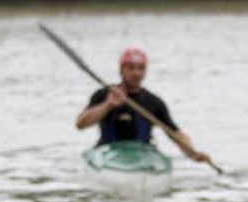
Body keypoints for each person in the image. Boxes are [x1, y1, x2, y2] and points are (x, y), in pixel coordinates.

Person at [75, 46, 212, 166]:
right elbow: (81, 124)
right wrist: (108, 105)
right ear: (121, 70)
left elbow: (174, 133)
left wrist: (192, 153)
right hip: (109, 150)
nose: (136, 73)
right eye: (131, 68)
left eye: (141, 69)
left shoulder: (153, 102)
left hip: (143, 153)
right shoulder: (104, 94)